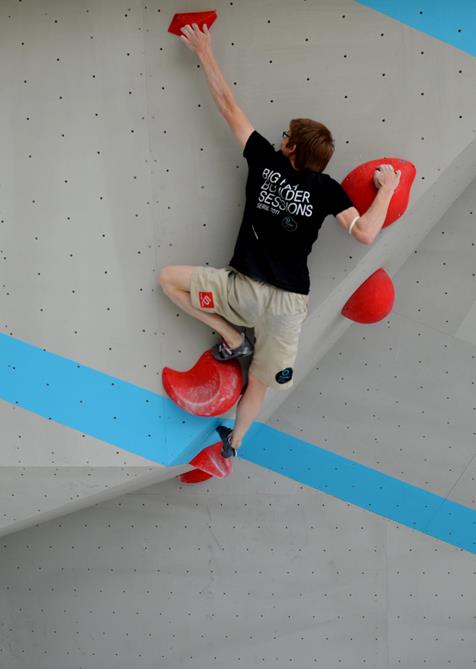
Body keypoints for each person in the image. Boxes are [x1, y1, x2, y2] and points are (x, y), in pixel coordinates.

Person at [159, 23, 401, 458]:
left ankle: (232, 339)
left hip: (240, 292)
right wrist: (386, 188)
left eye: (286, 135)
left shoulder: (265, 162)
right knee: (260, 382)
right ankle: (234, 444)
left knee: (168, 280)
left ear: (291, 149)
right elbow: (365, 232)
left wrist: (204, 50)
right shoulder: (327, 190)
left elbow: (228, 105)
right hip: (288, 307)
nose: (281, 137)